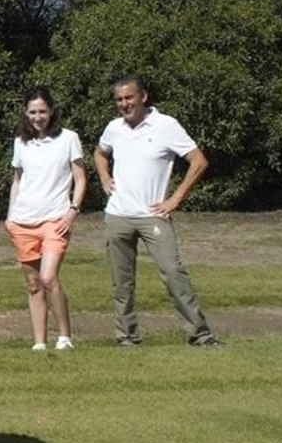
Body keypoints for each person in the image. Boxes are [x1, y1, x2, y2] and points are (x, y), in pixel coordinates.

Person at [92, 76, 218, 347]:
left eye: (129, 98)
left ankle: (200, 334)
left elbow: (198, 161)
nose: (125, 104)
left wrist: (175, 199)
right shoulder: (114, 128)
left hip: (153, 215)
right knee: (121, 282)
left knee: (173, 272)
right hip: (118, 215)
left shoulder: (166, 125)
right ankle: (126, 337)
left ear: (143, 97)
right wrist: (104, 177)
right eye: (119, 99)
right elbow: (100, 153)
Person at [4, 87, 86, 351]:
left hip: (56, 218)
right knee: (33, 283)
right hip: (23, 220)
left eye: (42, 111)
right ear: (26, 113)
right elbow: (17, 180)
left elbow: (81, 178)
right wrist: (9, 215)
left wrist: (73, 210)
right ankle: (39, 342)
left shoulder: (69, 138)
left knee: (49, 277)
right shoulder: (21, 141)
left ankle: (64, 336)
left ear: (51, 111)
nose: (38, 117)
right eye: (32, 112)